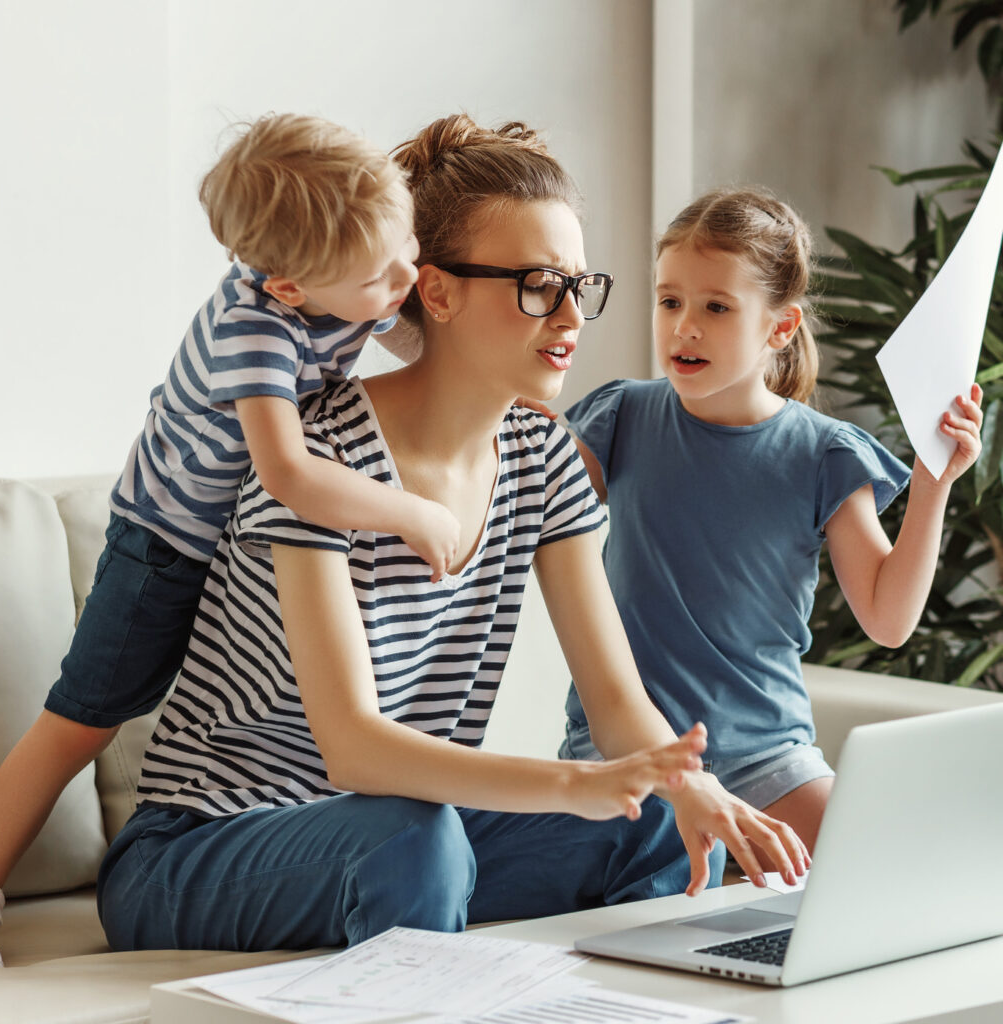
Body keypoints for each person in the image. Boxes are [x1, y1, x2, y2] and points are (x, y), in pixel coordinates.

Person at [95, 117, 809, 956]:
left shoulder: (544, 455)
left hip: (391, 832)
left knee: (650, 821)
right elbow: (354, 748)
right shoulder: (317, 454)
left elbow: (617, 703)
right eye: (542, 284)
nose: (572, 315)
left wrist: (691, 787)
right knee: (414, 838)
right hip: (201, 847)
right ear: (435, 292)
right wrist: (574, 782)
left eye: (582, 285)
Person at [0, 113, 459, 968]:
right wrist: (413, 512)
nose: (407, 279)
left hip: (233, 549)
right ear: (286, 289)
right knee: (80, 721)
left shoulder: (347, 279)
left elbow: (431, 332)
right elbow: (289, 474)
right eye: (378, 277)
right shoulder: (253, 330)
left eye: (409, 247)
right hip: (164, 548)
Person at [559, 185, 983, 864]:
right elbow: (518, 519)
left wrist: (934, 485)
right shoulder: (619, 420)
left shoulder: (825, 454)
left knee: (871, 878)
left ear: (779, 327)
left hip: (768, 759)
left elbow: (887, 619)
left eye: (716, 307)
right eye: (670, 301)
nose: (683, 327)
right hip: (628, 757)